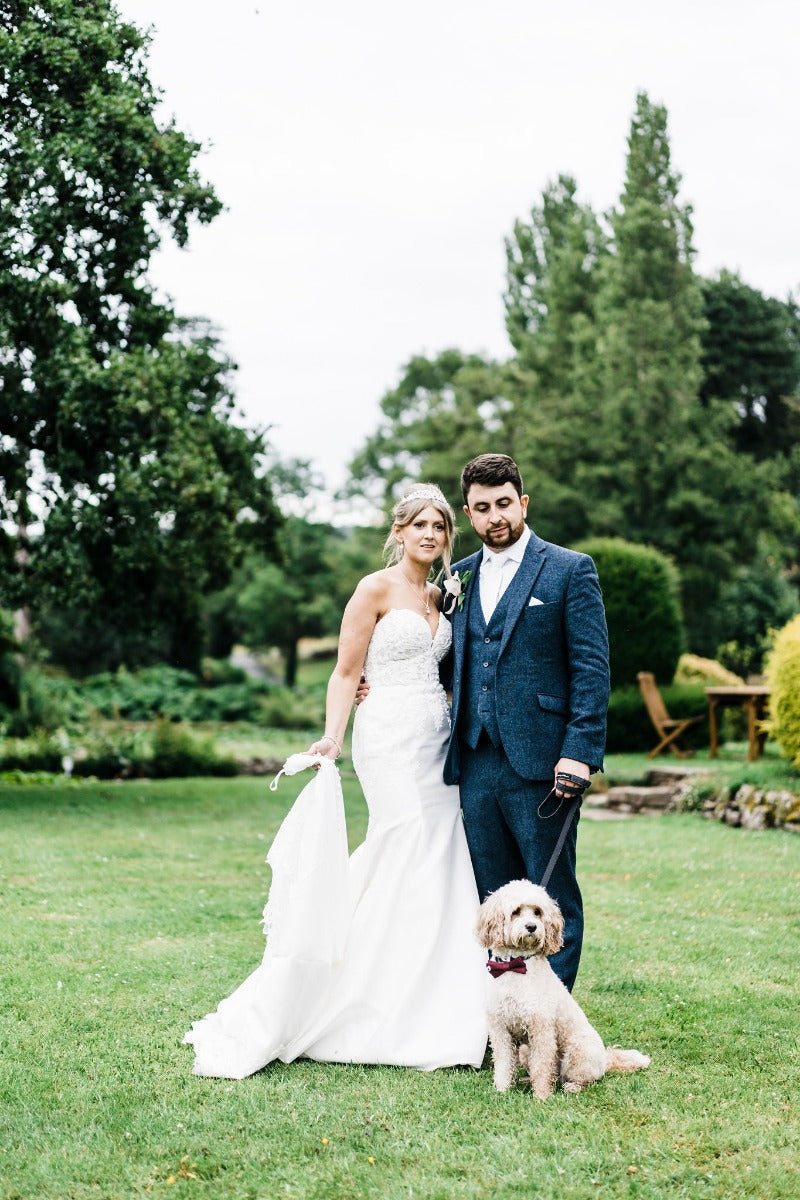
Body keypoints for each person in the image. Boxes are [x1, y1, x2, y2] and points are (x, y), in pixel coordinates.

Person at [183, 484, 487, 1076]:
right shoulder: (373, 589)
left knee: (441, 849)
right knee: (404, 841)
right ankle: (361, 994)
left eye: (440, 527)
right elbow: (346, 672)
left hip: (438, 738)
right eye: (420, 525)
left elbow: (451, 666)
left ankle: (435, 996)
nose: (430, 534)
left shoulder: (441, 596)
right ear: (399, 532)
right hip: (389, 739)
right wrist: (332, 737)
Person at [443, 453, 609, 992]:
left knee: (550, 897)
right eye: (482, 507)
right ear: (469, 513)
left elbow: (591, 667)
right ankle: (505, 1015)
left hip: (545, 762)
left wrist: (579, 751)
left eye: (504, 503)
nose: (495, 516)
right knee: (495, 902)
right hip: (476, 761)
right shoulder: (458, 577)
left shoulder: (569, 569)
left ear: (523, 503)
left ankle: (554, 1016)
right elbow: (447, 661)